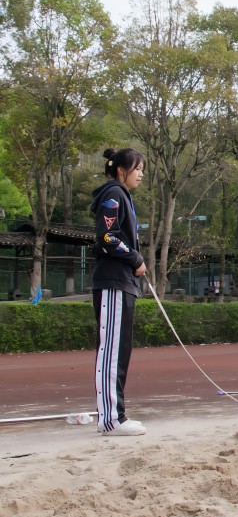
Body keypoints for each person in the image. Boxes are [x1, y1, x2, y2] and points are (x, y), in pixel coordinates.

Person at [90, 148, 148, 437]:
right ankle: (112, 420)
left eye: (142, 170)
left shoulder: (123, 196)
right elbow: (106, 236)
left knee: (120, 351)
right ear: (121, 170)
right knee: (112, 352)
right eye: (137, 169)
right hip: (113, 283)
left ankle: (116, 416)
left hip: (123, 283)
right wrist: (135, 259)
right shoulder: (114, 194)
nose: (141, 175)